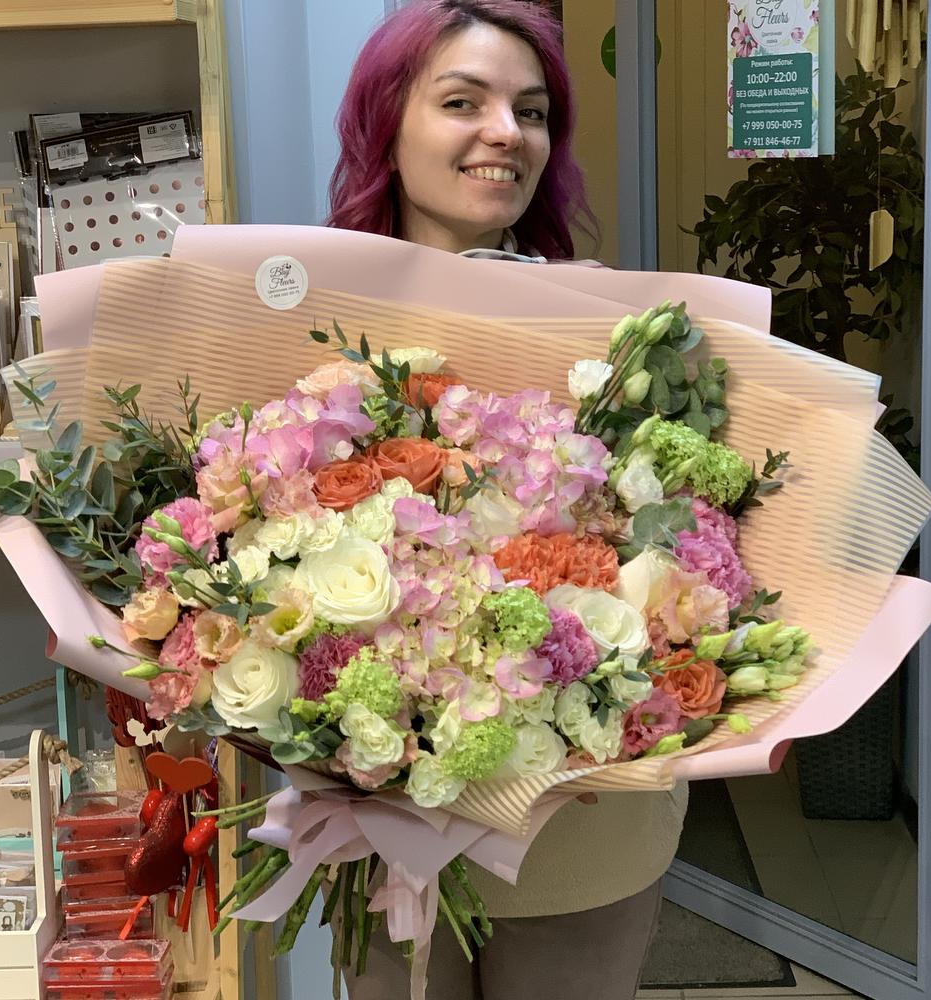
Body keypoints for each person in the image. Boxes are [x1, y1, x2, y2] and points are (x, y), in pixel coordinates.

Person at [325, 2, 689, 998]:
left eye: (530, 111)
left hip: (581, 811)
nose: (505, 131)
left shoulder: (609, 329)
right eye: (462, 102)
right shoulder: (317, 321)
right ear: (385, 124)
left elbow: (683, 554)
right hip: (387, 806)